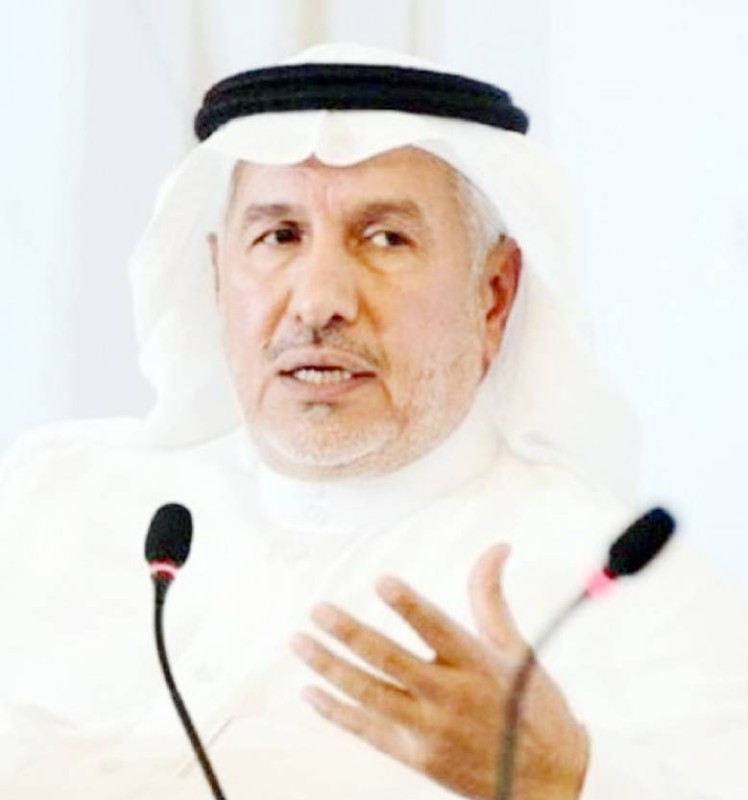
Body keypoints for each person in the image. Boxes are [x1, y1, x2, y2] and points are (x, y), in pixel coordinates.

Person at [0, 42, 746, 799]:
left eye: (386, 238)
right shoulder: (49, 502)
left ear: (492, 295)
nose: (319, 300)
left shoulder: (627, 593)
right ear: (219, 280)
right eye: (279, 236)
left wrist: (567, 780)